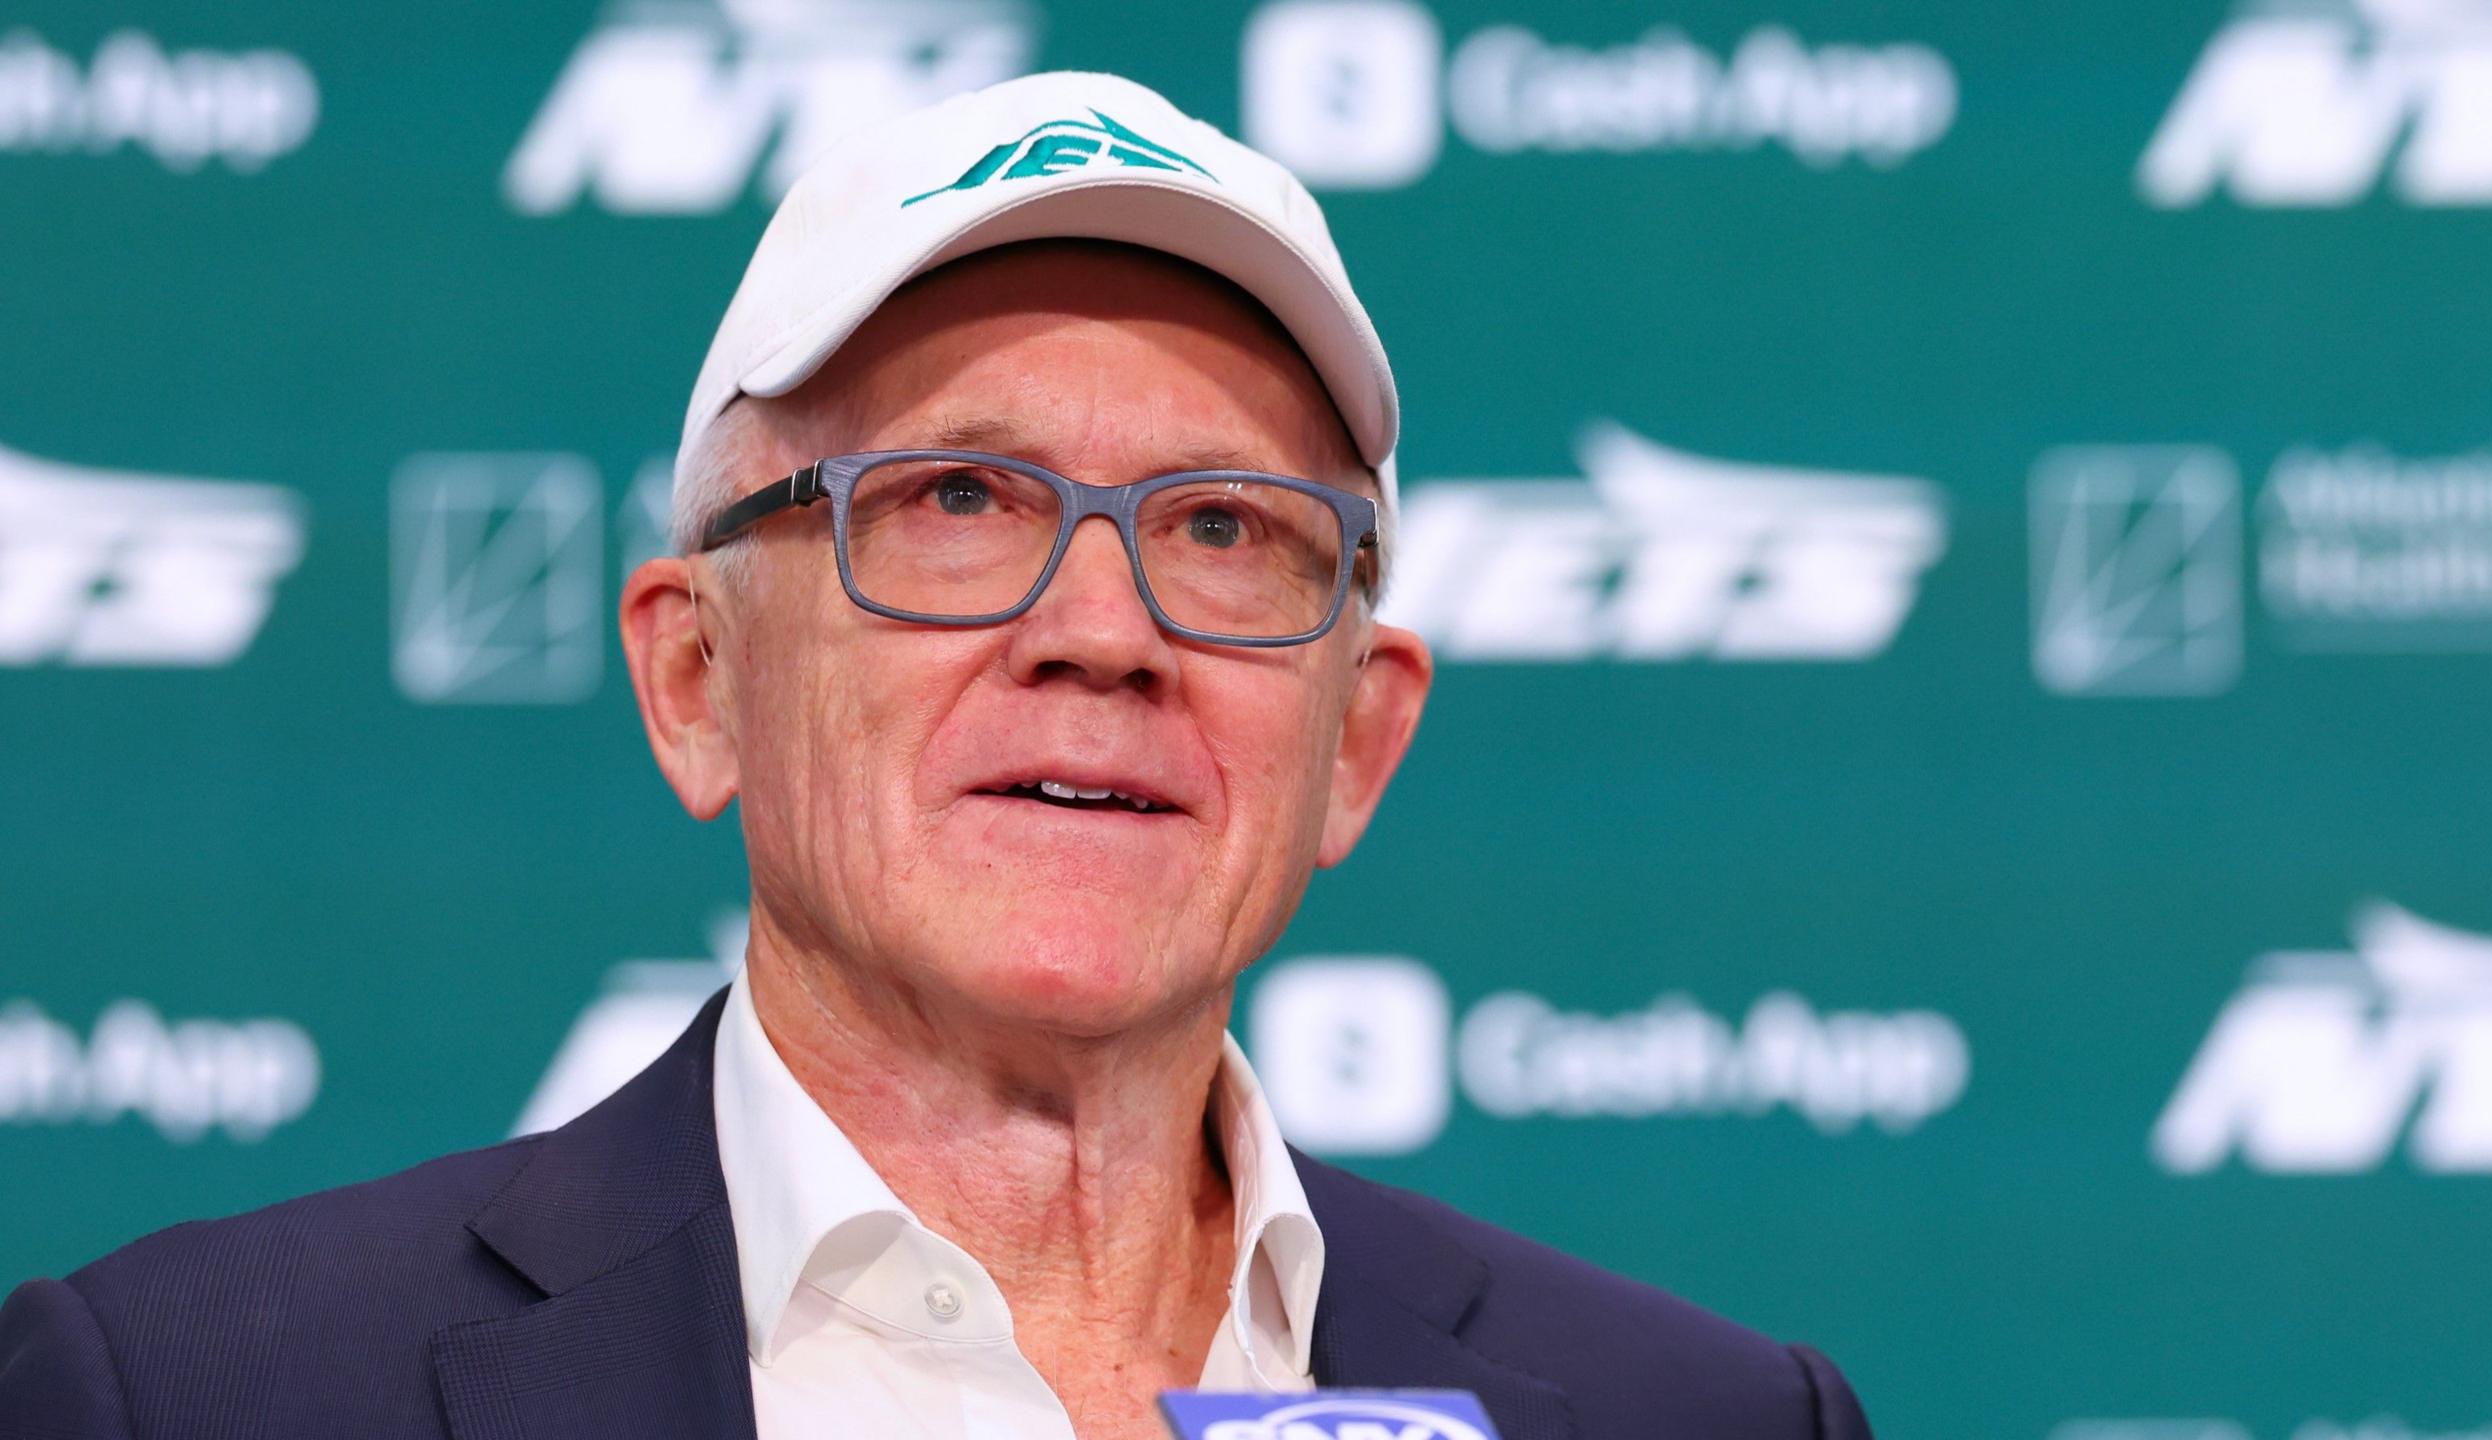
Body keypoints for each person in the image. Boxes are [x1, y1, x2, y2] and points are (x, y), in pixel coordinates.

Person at [0, 73, 1871, 1440]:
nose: (1104, 628)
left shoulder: (1703, 1416)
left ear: (1356, 745)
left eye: (1226, 528)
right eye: (958, 499)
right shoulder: (191, 1395)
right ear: (697, 678)